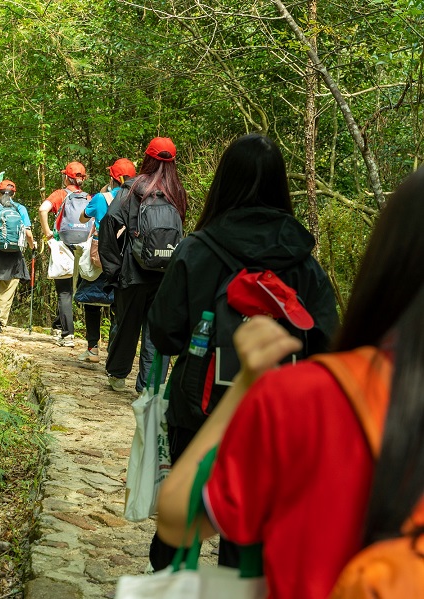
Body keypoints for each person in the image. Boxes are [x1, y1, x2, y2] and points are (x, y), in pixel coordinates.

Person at [156, 165, 424, 599]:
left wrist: (247, 384)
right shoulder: (305, 261)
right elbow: (324, 334)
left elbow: (178, 516)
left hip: (200, 407)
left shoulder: (307, 400)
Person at [145, 133, 339, 571]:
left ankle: (173, 580)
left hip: (198, 410)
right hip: (278, 421)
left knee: (182, 524)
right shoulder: (303, 261)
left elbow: (166, 331)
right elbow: (328, 343)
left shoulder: (199, 250)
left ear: (224, 183)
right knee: (251, 534)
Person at [97, 138, 185, 392]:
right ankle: (151, 385)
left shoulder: (132, 189)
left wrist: (113, 268)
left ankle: (117, 374)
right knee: (156, 331)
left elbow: (109, 225)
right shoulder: (177, 192)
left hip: (133, 271)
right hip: (166, 274)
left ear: (147, 158)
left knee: (126, 325)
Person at [73, 158, 137, 363]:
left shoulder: (101, 198)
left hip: (101, 255)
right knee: (118, 305)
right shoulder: (138, 199)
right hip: (126, 258)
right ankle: (114, 350)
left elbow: (83, 218)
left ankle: (92, 349)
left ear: (112, 178)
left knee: (92, 301)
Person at [39, 161, 93, 347]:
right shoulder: (88, 197)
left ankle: (67, 334)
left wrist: (47, 232)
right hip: (84, 246)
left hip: (63, 244)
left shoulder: (60, 194)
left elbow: (42, 209)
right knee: (73, 289)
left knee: (63, 291)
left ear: (66, 177)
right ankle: (57, 325)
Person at [0, 180, 35, 333]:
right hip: (15, 255)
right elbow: (28, 233)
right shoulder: (20, 208)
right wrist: (32, 245)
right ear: (14, 194)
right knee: (8, 289)